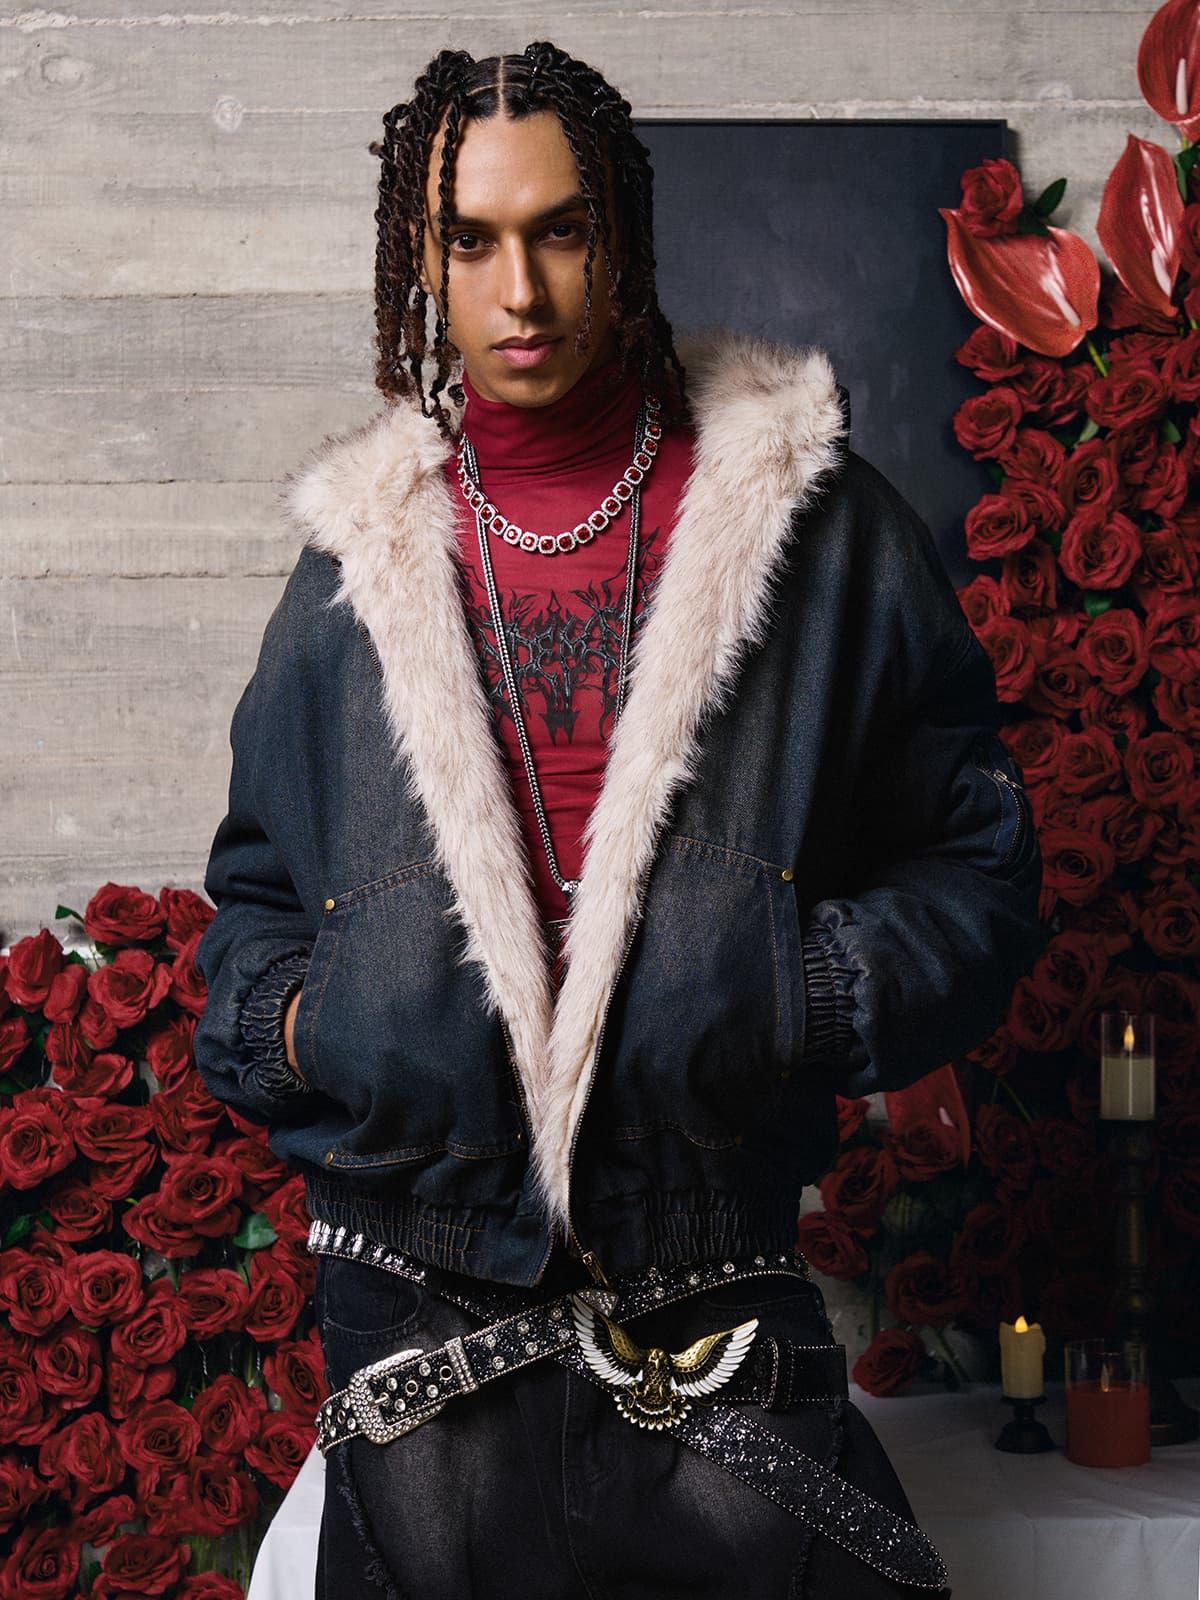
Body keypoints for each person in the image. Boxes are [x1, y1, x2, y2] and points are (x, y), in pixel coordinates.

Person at [195, 39, 1045, 1600]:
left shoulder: (816, 533)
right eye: (472, 240)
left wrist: (801, 990)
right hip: (417, 1319)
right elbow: (247, 915)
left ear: (623, 240)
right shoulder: (349, 577)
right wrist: (332, 1025)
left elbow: (981, 869)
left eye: (560, 230)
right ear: (420, 260)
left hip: (718, 1294)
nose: (520, 290)